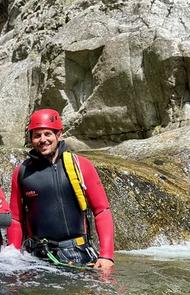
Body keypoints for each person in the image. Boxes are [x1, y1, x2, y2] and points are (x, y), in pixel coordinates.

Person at [8, 109, 115, 270]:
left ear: (59, 135)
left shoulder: (81, 165)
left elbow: (102, 210)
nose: (42, 140)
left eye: (47, 134)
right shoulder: (22, 172)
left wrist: (106, 256)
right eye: (37, 135)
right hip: (37, 256)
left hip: (77, 252)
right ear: (31, 138)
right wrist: (13, 257)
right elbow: (15, 219)